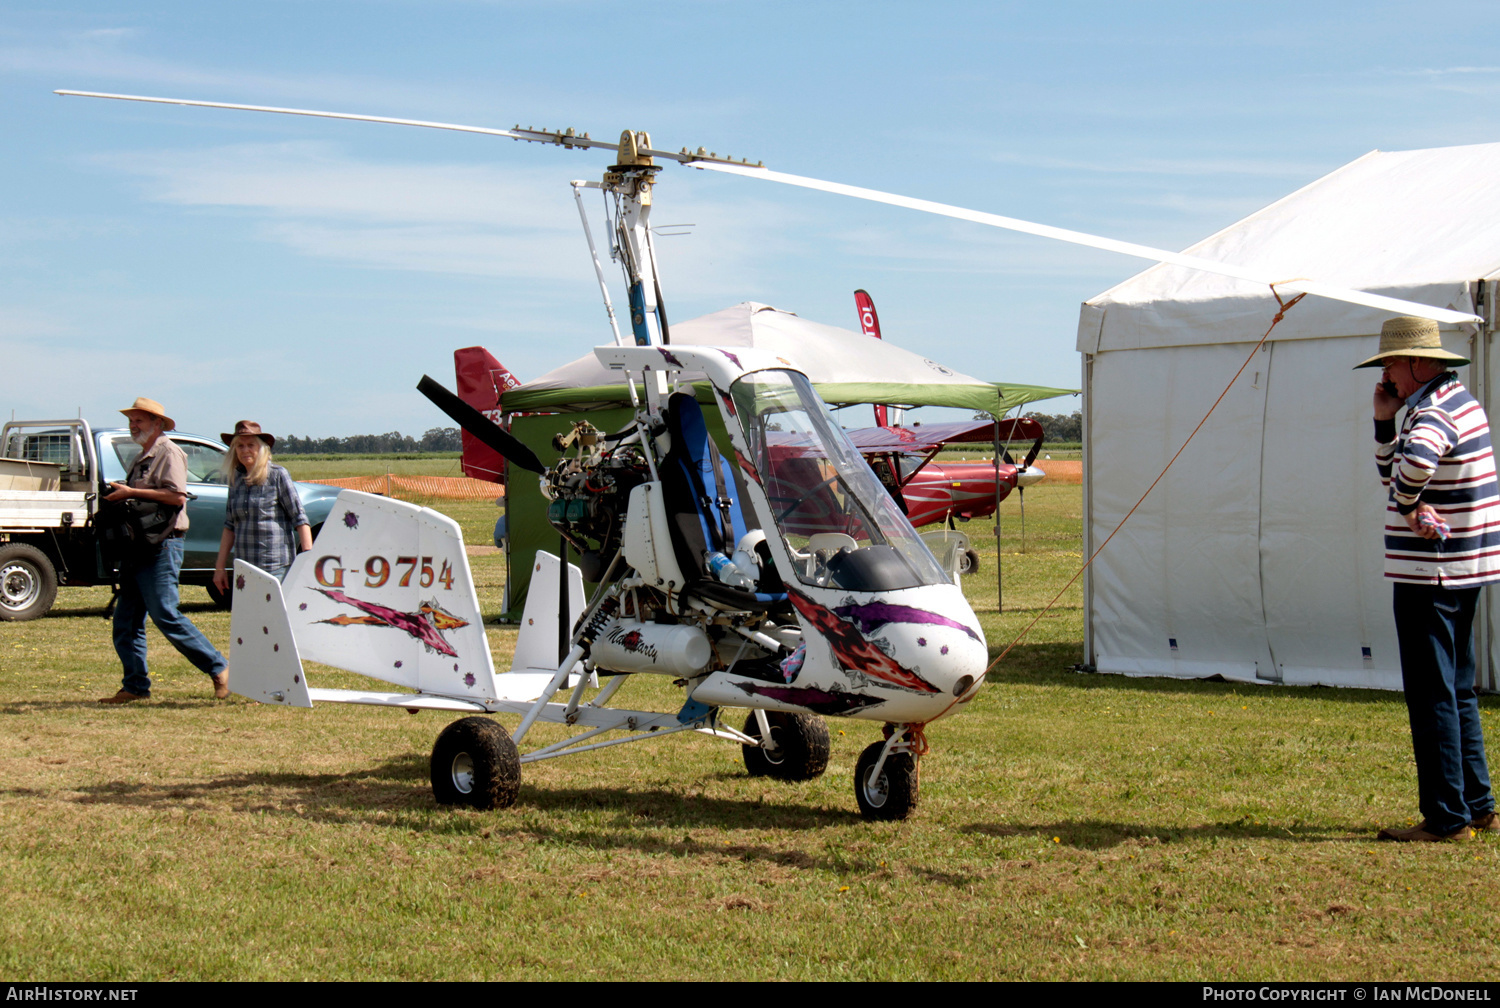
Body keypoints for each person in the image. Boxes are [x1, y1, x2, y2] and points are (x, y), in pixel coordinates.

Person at [1357, 316, 1500, 842]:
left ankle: (1447, 818)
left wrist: (1409, 505)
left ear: (1418, 363)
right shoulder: (1458, 402)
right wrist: (1384, 424)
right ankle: (1478, 805)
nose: (1387, 375)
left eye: (1391, 364)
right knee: (1457, 687)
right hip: (1466, 568)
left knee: (1431, 691)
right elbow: (1394, 472)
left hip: (1431, 573)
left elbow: (1411, 467)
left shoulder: (1432, 412)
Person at [99, 397, 229, 704]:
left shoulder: (169, 452)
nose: (134, 426)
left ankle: (220, 668)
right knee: (126, 620)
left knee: (165, 613)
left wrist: (131, 492)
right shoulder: (142, 456)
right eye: (132, 421)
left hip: (162, 545)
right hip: (139, 546)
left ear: (158, 424)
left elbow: (176, 496)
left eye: (140, 421)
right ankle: (135, 686)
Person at [213, 420, 312, 589]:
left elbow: (300, 519)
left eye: (250, 445)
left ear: (262, 448)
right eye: (240, 446)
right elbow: (230, 525)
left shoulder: (277, 475)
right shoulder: (235, 479)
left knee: (275, 615)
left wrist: (308, 559)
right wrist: (219, 567)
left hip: (275, 566)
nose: (245, 450)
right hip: (245, 567)